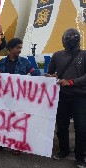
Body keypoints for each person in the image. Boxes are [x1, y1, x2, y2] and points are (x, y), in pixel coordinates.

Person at [0, 38, 40, 155]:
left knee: (16, 121)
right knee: (2, 119)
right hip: (4, 97)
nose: (20, 49)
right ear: (10, 49)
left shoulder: (24, 62)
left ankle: (15, 145)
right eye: (18, 47)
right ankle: (0, 143)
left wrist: (45, 78)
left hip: (18, 98)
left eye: (20, 47)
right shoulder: (2, 63)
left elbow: (36, 73)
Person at [47, 28, 86, 168]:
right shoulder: (57, 55)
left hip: (81, 97)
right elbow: (50, 73)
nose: (69, 42)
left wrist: (71, 82)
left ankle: (80, 156)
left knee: (81, 127)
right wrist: (51, 77)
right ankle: (63, 150)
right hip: (62, 96)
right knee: (62, 125)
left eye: (71, 40)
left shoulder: (84, 54)